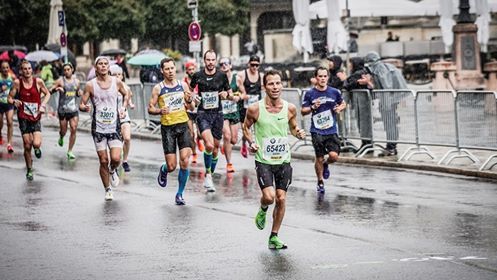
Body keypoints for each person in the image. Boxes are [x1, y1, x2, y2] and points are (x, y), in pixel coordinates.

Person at [243, 69, 306, 250]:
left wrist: (298, 133)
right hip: (264, 160)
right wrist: (251, 142)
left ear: (282, 85)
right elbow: (246, 127)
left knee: (281, 199)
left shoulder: (290, 108)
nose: (275, 87)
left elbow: (293, 128)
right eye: (271, 83)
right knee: (269, 197)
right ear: (264, 87)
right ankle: (263, 209)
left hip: (283, 161)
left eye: (278, 83)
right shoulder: (255, 109)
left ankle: (274, 236)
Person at [79, 56, 129, 201]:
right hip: (98, 128)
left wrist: (124, 108)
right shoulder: (90, 85)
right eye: (100, 64)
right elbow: (82, 104)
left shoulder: (116, 82)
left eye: (105, 64)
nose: (103, 66)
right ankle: (108, 189)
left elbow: (126, 94)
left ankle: (113, 170)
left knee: (115, 158)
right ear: (96, 68)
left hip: (114, 126)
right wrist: (84, 107)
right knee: (103, 160)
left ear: (108, 67)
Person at [148, 57, 194, 205]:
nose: (170, 71)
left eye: (172, 68)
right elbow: (150, 108)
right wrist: (159, 110)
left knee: (185, 161)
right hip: (168, 129)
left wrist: (188, 101)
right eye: (166, 69)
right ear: (162, 71)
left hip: (183, 126)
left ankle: (179, 194)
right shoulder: (158, 88)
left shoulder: (183, 85)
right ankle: (164, 169)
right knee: (172, 166)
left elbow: (191, 107)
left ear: (176, 69)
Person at [190, 50, 234, 192]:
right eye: (208, 60)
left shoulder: (222, 76)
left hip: (218, 114)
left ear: (216, 61)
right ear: (204, 61)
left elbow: (230, 94)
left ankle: (209, 176)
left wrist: (225, 94)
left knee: (215, 148)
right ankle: (208, 176)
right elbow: (189, 91)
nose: (210, 62)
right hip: (203, 113)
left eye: (213, 60)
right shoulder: (198, 75)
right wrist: (192, 97)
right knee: (208, 145)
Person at [301, 67, 346, 193]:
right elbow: (303, 111)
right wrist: (312, 107)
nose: (322, 79)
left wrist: (339, 108)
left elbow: (343, 103)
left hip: (331, 130)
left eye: (325, 76)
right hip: (317, 130)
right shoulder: (310, 93)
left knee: (334, 156)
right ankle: (320, 181)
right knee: (319, 157)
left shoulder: (334, 92)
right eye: (320, 76)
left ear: (328, 77)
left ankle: (326, 164)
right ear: (316, 78)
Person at [7, 60, 51, 180]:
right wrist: (14, 101)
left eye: (29, 68)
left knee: (36, 143)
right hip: (23, 117)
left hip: (36, 116)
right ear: (21, 71)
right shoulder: (17, 83)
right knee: (27, 145)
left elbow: (47, 94)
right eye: (25, 69)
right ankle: (29, 169)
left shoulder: (38, 82)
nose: (27, 71)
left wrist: (42, 105)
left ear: (32, 70)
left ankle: (37, 148)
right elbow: (9, 98)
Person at [364, 51, 408, 156]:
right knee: (389, 123)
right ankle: (391, 146)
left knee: (390, 123)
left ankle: (391, 147)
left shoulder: (380, 68)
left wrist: (386, 104)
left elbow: (386, 87)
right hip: (391, 98)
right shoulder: (382, 67)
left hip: (390, 99)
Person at [51, 62, 82, 160]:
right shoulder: (60, 81)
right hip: (63, 110)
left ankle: (70, 151)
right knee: (63, 131)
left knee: (73, 128)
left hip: (73, 110)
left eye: (68, 69)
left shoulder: (77, 81)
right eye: (65, 70)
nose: (66, 71)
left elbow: (77, 93)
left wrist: (79, 93)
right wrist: (57, 89)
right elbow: (50, 90)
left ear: (72, 70)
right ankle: (61, 137)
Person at [343, 57, 373, 151]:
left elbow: (348, 84)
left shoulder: (359, 73)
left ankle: (366, 144)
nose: (349, 65)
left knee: (363, 123)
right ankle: (366, 143)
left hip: (362, 102)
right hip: (360, 102)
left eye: (350, 63)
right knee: (362, 123)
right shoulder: (362, 72)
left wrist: (345, 79)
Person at [110, 64, 135, 172]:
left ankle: (125, 161)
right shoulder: (108, 88)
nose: (117, 76)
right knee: (116, 142)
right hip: (112, 119)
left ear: (122, 75)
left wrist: (131, 104)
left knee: (127, 138)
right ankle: (115, 161)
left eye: (119, 74)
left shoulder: (126, 87)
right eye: (114, 74)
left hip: (124, 116)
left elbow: (128, 98)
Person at [237, 55, 263, 158]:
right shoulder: (243, 74)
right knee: (245, 127)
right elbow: (238, 85)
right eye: (252, 65)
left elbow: (265, 87)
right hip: (245, 106)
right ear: (249, 64)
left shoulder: (261, 76)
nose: (254, 68)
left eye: (257, 65)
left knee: (257, 126)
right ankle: (244, 144)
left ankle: (253, 145)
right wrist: (242, 93)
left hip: (256, 105)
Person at [219, 57, 241, 173]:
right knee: (226, 136)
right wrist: (220, 95)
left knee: (233, 139)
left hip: (233, 111)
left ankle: (225, 146)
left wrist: (239, 97)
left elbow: (243, 93)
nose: (223, 65)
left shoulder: (237, 79)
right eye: (221, 64)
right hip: (222, 111)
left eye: (226, 63)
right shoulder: (217, 79)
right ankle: (229, 163)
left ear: (231, 65)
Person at [183, 60, 204, 163]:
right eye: (189, 69)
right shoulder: (184, 82)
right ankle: (194, 153)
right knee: (191, 134)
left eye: (193, 69)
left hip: (199, 110)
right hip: (188, 111)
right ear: (186, 71)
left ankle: (199, 139)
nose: (191, 71)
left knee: (201, 133)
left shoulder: (199, 80)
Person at [0, 61, 16, 153]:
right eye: (3, 67)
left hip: (9, 103)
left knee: (10, 122)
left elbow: (15, 89)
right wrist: (1, 89)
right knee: (0, 123)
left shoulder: (12, 77)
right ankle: (0, 135)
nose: (5, 69)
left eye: (7, 67)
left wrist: (12, 94)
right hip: (0, 104)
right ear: (0, 69)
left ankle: (9, 144)